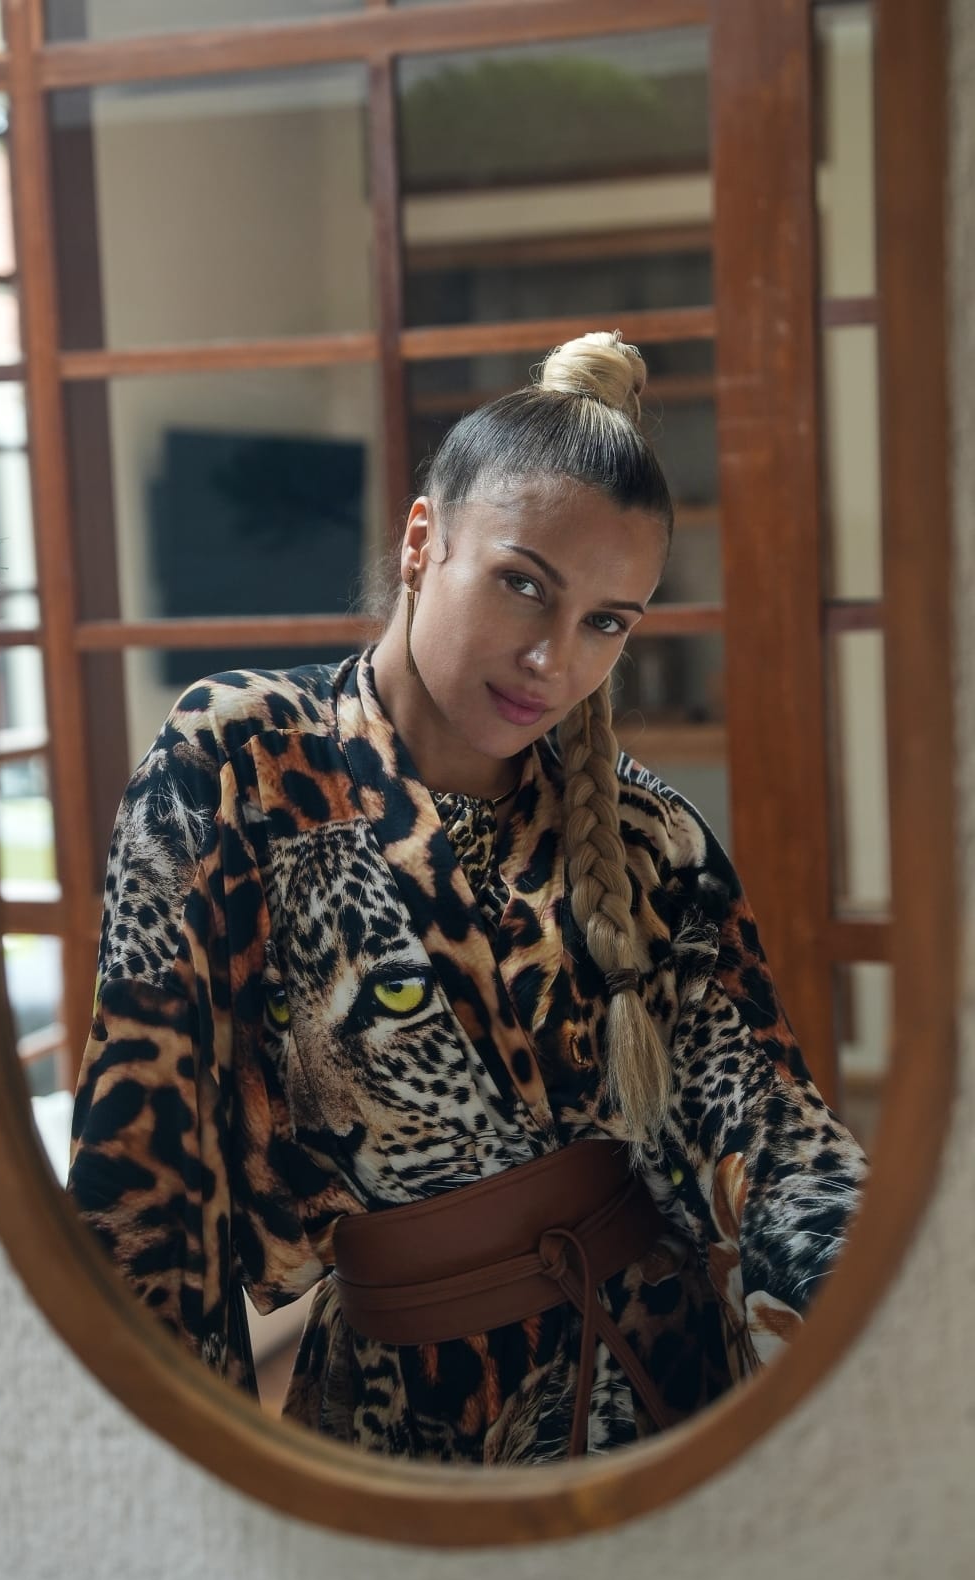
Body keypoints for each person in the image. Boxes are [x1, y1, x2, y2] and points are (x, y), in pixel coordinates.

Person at [68, 330, 867, 1464]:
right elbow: (144, 1176)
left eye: (606, 621)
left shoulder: (651, 839)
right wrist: (183, 1472)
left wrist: (896, 1310)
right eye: (522, 584)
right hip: (387, 1419)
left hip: (651, 1394)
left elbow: (774, 1140)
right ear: (421, 540)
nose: (553, 658)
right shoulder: (236, 757)